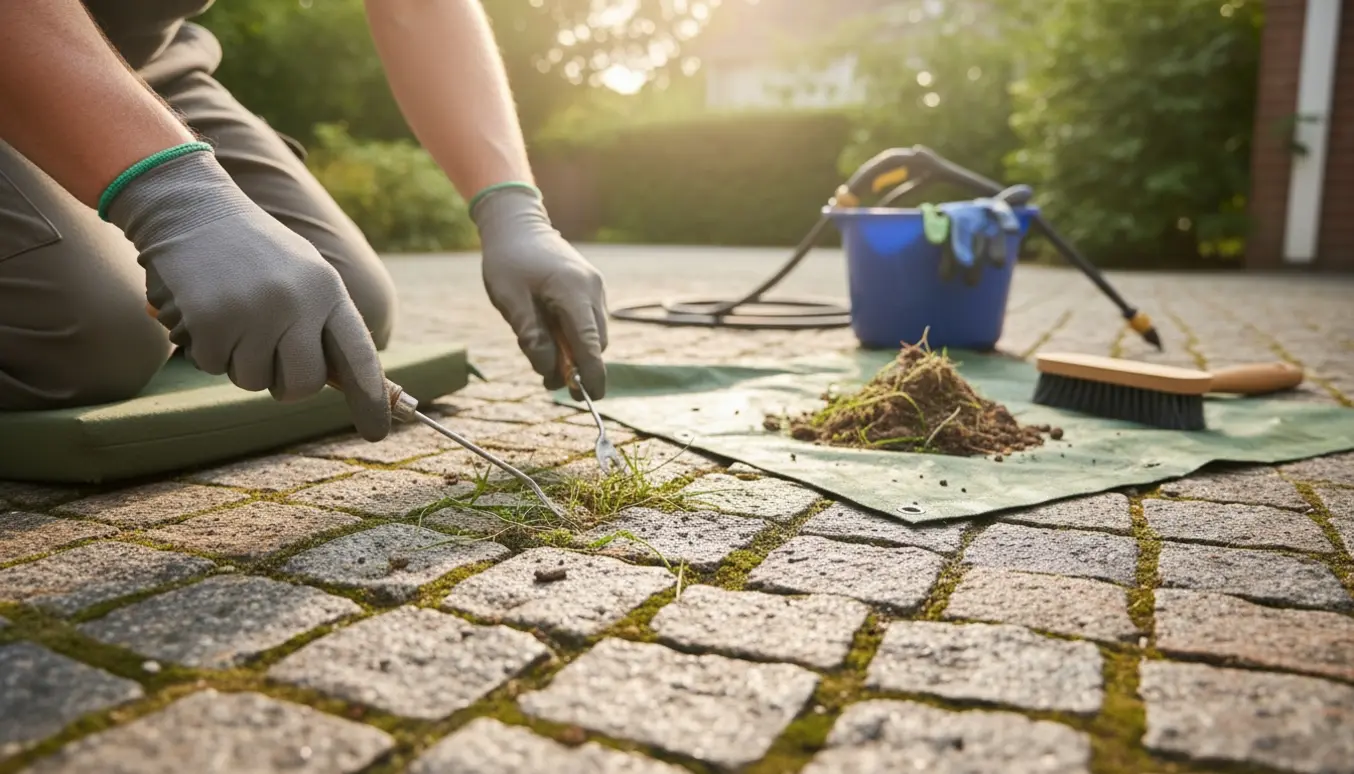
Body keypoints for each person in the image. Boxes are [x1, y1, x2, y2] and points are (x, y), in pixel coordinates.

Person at [0, 0, 610, 442]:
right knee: (96, 336)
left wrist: (511, 208)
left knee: (342, 306)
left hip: (145, 65)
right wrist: (175, 199)